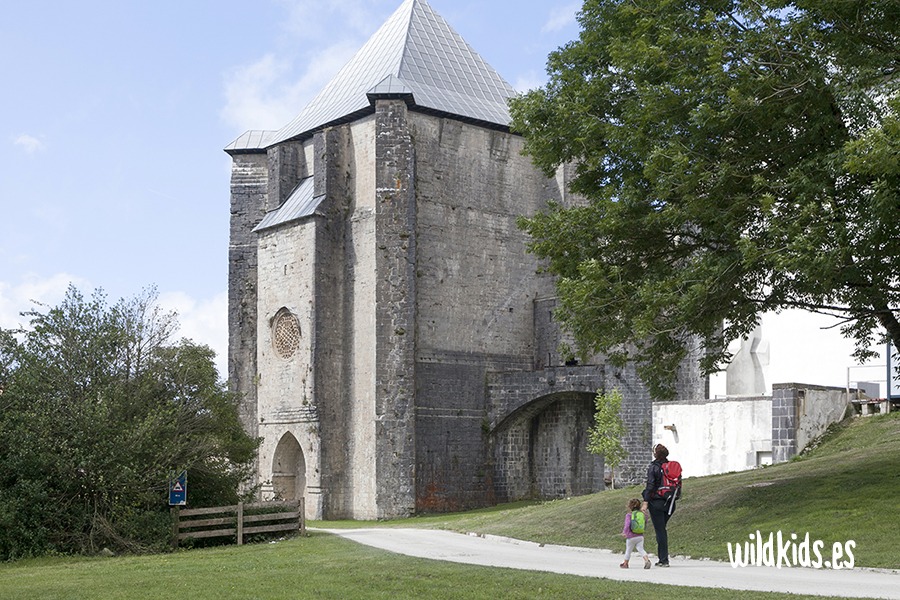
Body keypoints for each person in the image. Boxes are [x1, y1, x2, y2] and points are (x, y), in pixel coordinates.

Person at [642, 443, 676, 567]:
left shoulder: (653, 467)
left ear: (655, 454)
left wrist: (645, 503)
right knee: (662, 529)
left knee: (660, 530)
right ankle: (663, 558)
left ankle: (664, 560)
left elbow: (650, 486)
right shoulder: (672, 466)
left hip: (656, 503)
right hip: (670, 503)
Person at [620, 498, 651, 569]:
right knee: (641, 549)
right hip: (640, 536)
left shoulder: (629, 515)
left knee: (628, 550)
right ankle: (646, 560)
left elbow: (627, 525)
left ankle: (625, 563)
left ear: (630, 506)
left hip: (631, 536)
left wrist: (625, 533)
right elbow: (645, 522)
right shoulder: (643, 515)